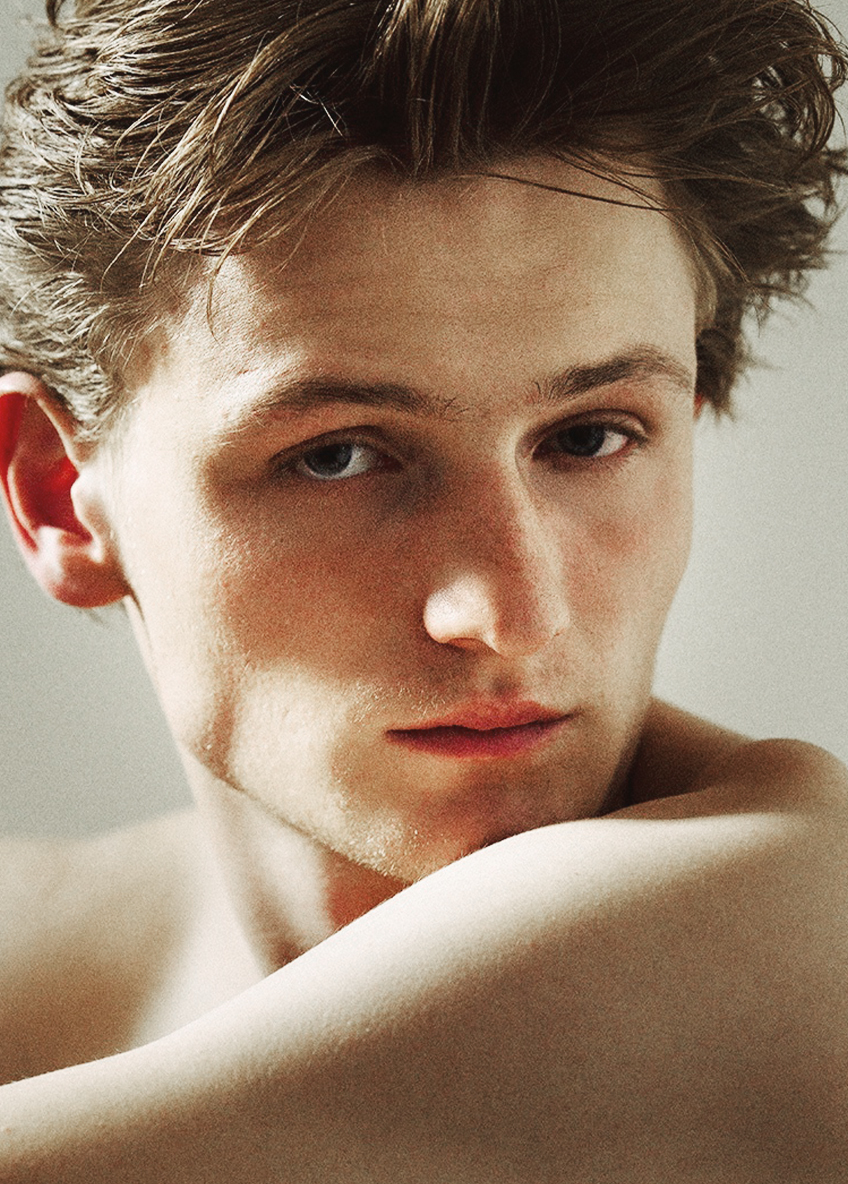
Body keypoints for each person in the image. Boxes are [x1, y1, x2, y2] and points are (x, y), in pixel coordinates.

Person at [0, 0, 847, 1179]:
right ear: (58, 495)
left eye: (589, 436)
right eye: (337, 454)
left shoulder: (798, 917)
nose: (507, 611)